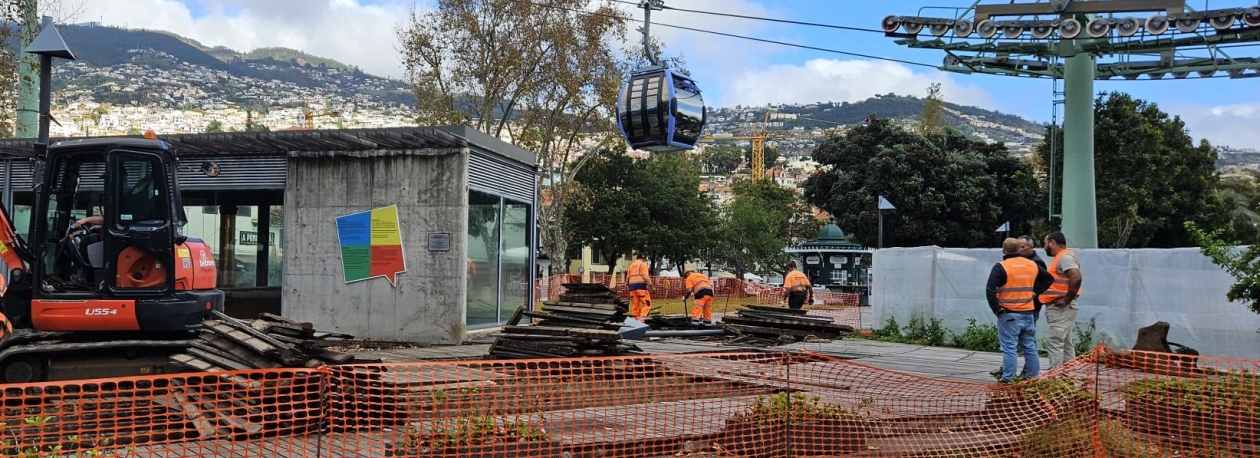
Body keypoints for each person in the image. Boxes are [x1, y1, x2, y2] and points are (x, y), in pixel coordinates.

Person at [986, 237, 1054, 383]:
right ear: (1019, 249)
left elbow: (990, 289)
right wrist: (1036, 292)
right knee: (1030, 347)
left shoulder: (1001, 266)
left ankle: (1007, 378)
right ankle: (1034, 377)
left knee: (1009, 348)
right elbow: (1049, 279)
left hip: (1009, 314)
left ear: (1003, 250)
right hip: (1028, 312)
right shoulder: (1031, 264)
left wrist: (996, 309)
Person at [1040, 231, 1083, 368]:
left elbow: (1076, 276)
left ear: (1052, 242)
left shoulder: (1064, 257)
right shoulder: (1063, 256)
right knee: (1065, 343)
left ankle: (1055, 378)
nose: (1044, 246)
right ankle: (1068, 376)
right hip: (1062, 308)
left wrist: (1066, 299)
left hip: (1061, 308)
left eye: (1045, 243)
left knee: (1055, 342)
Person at [626, 254, 653, 321]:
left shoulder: (631, 266)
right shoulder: (643, 265)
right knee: (647, 304)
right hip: (641, 287)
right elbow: (645, 276)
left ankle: (634, 319)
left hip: (632, 288)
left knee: (635, 305)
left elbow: (627, 280)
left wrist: (629, 286)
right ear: (643, 258)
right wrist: (651, 285)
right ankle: (642, 318)